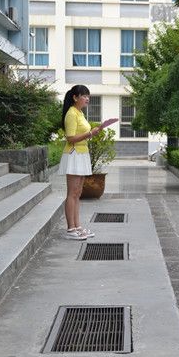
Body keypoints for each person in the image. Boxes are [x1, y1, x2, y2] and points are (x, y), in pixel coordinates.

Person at [59, 85, 103, 240]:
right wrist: (90, 133)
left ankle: (78, 227)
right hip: (74, 155)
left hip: (82, 154)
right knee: (72, 193)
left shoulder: (80, 113)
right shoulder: (71, 113)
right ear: (75, 97)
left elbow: (82, 134)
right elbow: (70, 138)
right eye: (84, 96)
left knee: (78, 193)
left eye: (88, 96)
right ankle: (71, 229)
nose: (87, 99)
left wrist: (92, 133)